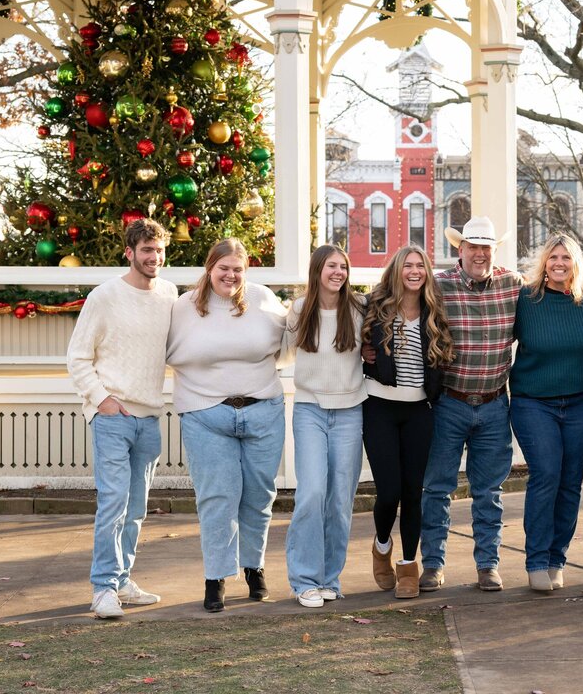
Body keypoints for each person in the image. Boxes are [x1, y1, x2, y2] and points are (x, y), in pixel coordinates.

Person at [166, 238, 288, 612]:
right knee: (217, 498)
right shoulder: (183, 308)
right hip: (206, 414)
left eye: (238, 269)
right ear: (209, 267)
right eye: (224, 268)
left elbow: (296, 336)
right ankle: (216, 576)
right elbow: (157, 349)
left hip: (262, 409)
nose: (231, 276)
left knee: (259, 497)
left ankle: (254, 567)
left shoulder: (263, 299)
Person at [67, 219, 177, 619]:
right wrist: (101, 400)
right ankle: (103, 589)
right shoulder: (105, 296)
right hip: (113, 417)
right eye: (147, 250)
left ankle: (123, 579)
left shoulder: (169, 294)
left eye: (159, 250)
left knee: (136, 508)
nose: (154, 257)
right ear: (129, 253)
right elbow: (77, 357)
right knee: (113, 503)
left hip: (149, 418)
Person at [420, 216, 521, 593]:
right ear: (459, 249)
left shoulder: (513, 285)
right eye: (472, 247)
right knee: (437, 488)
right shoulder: (439, 285)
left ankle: (488, 564)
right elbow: (397, 300)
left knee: (489, 492)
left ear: (494, 252)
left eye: (486, 248)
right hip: (450, 402)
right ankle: (433, 564)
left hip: (495, 404)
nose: (479, 254)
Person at [361, 245, 454, 599]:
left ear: (427, 273)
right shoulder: (373, 307)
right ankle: (382, 545)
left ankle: (408, 568)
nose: (414, 271)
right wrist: (362, 352)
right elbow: (348, 339)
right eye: (408, 265)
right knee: (389, 492)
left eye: (420, 266)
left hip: (419, 411)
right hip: (380, 408)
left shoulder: (434, 311)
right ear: (397, 270)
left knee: (413, 493)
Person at [282, 245, 368, 608]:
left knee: (339, 500)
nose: (338, 272)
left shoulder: (359, 308)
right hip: (310, 409)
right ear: (317, 269)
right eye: (331, 266)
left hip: (350, 410)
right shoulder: (301, 309)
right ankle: (304, 580)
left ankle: (330, 577)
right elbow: (281, 353)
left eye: (343, 266)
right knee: (312, 492)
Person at [508, 234, 583, 592]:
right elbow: (496, 338)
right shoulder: (526, 300)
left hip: (578, 403)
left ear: (577, 263)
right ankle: (536, 560)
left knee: (571, 479)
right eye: (554, 257)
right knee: (546, 474)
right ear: (545, 262)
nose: (560, 263)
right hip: (534, 402)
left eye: (567, 258)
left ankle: (558, 557)